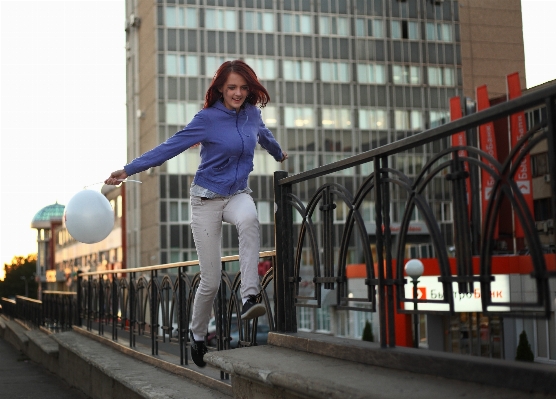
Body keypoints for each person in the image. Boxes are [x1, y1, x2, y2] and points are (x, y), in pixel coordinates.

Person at [105, 60, 287, 367]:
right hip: (205, 201)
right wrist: (127, 170)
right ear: (219, 88)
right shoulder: (207, 119)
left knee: (249, 219)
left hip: (237, 194)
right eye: (231, 88)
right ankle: (198, 335)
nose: (238, 93)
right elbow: (169, 148)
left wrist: (279, 153)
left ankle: (249, 298)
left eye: (243, 88)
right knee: (211, 281)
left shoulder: (252, 115)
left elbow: (264, 135)